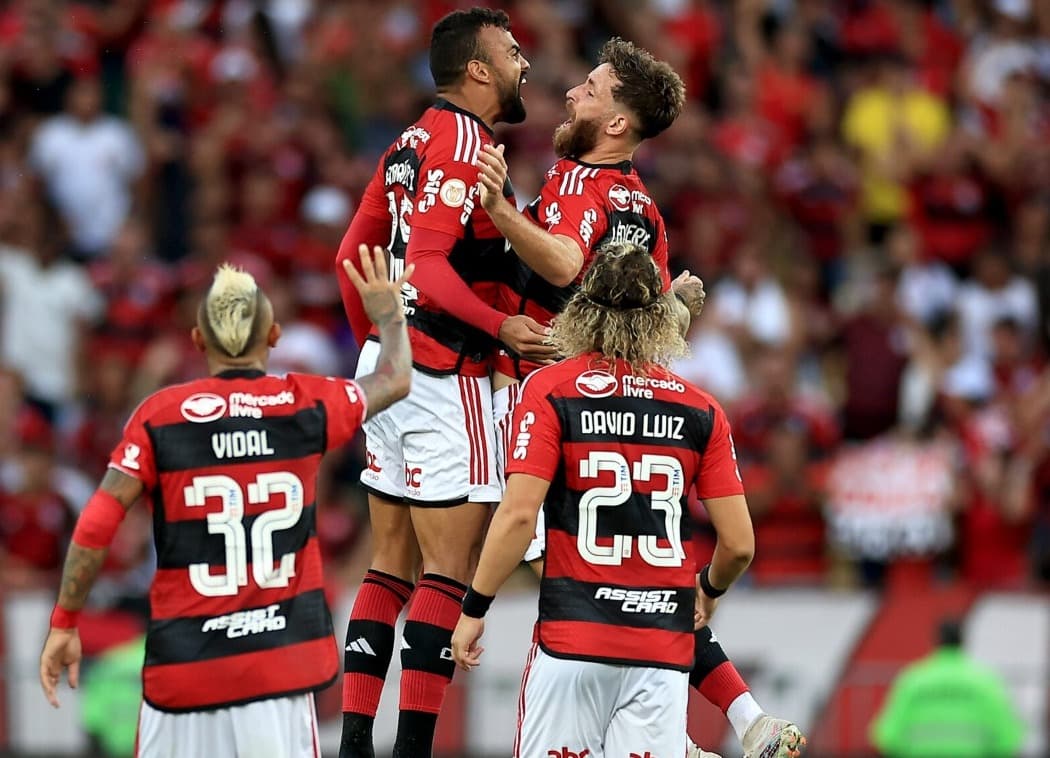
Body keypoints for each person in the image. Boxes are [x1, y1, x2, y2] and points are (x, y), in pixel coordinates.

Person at [476, 38, 804, 758]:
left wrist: (496, 208)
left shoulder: (573, 181)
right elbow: (653, 322)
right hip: (634, 414)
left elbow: (563, 261)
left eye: (590, 89)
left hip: (546, 402)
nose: (571, 95)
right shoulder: (646, 211)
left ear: (617, 123)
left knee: (527, 550)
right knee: (642, 578)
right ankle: (740, 718)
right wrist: (678, 300)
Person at [39, 246, 413, 758]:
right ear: (274, 336)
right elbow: (395, 379)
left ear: (197, 340)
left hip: (185, 668)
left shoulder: (160, 415)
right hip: (280, 668)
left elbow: (99, 519)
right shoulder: (307, 402)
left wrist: (65, 622)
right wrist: (389, 314)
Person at [334, 9, 556, 758]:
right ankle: (414, 750)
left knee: (387, 564)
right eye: (513, 51)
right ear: (479, 70)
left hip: (390, 368)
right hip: (443, 371)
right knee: (447, 573)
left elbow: (350, 255)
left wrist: (377, 340)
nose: (527, 63)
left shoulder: (409, 141)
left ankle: (357, 742)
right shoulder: (466, 141)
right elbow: (427, 268)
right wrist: (499, 331)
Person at [450, 242, 754, 757]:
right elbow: (740, 545)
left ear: (581, 311)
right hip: (661, 652)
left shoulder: (550, 390)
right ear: (661, 317)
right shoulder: (701, 409)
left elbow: (520, 515)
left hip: (573, 641)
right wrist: (708, 590)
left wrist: (474, 608)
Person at [870, 618, 1025, 758]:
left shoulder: (913, 679)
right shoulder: (985, 681)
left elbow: (886, 737)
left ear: (936, 641)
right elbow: (1009, 738)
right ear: (963, 641)